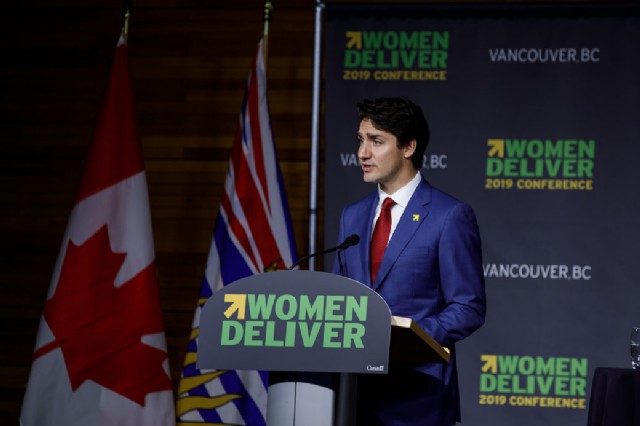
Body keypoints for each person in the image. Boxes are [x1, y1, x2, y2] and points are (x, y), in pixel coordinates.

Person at [332, 97, 486, 425]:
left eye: (376, 141)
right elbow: (339, 300)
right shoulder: (351, 216)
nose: (362, 153)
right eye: (361, 140)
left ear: (408, 147)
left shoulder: (449, 216)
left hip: (418, 397)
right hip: (354, 394)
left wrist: (409, 337)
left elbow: (468, 306)